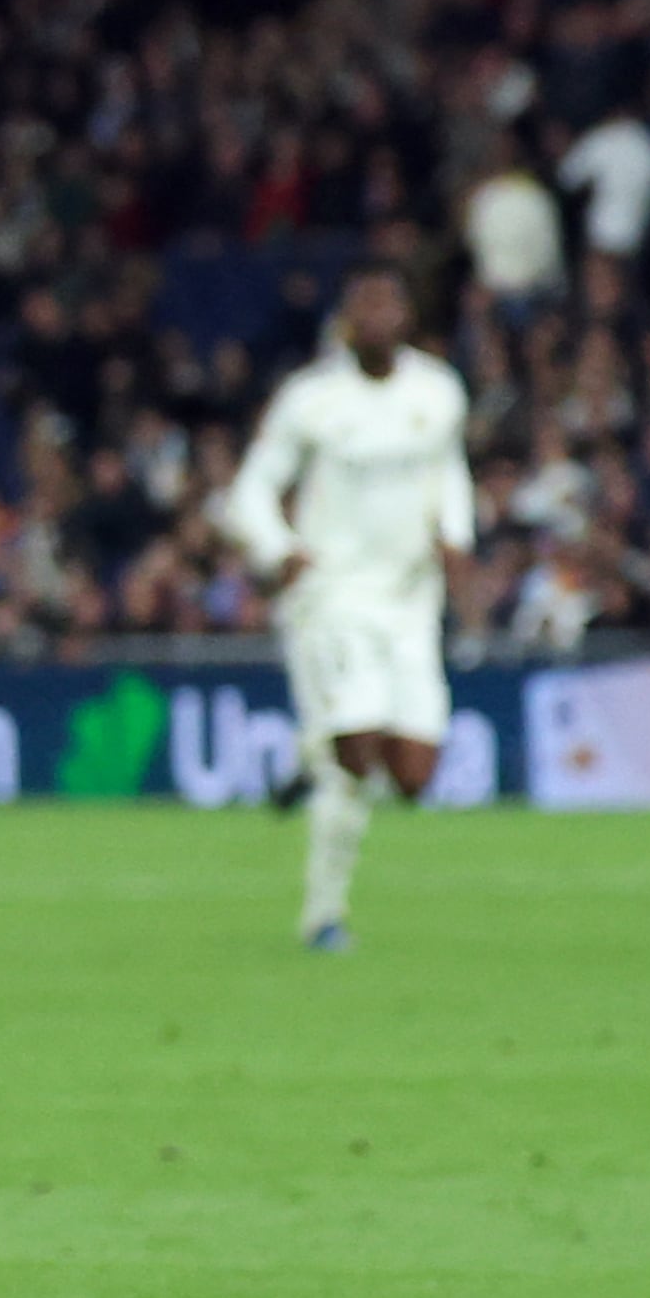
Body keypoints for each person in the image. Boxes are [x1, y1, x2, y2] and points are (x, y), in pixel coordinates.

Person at [220, 262, 475, 950]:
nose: (377, 318)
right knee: (357, 755)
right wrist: (279, 549)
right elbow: (250, 489)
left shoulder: (438, 390)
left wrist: (456, 536)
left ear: (406, 318)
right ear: (346, 321)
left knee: (415, 776)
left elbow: (447, 470)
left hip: (411, 598)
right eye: (363, 307)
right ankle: (323, 918)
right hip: (332, 594)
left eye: (388, 305)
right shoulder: (312, 399)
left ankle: (311, 750)